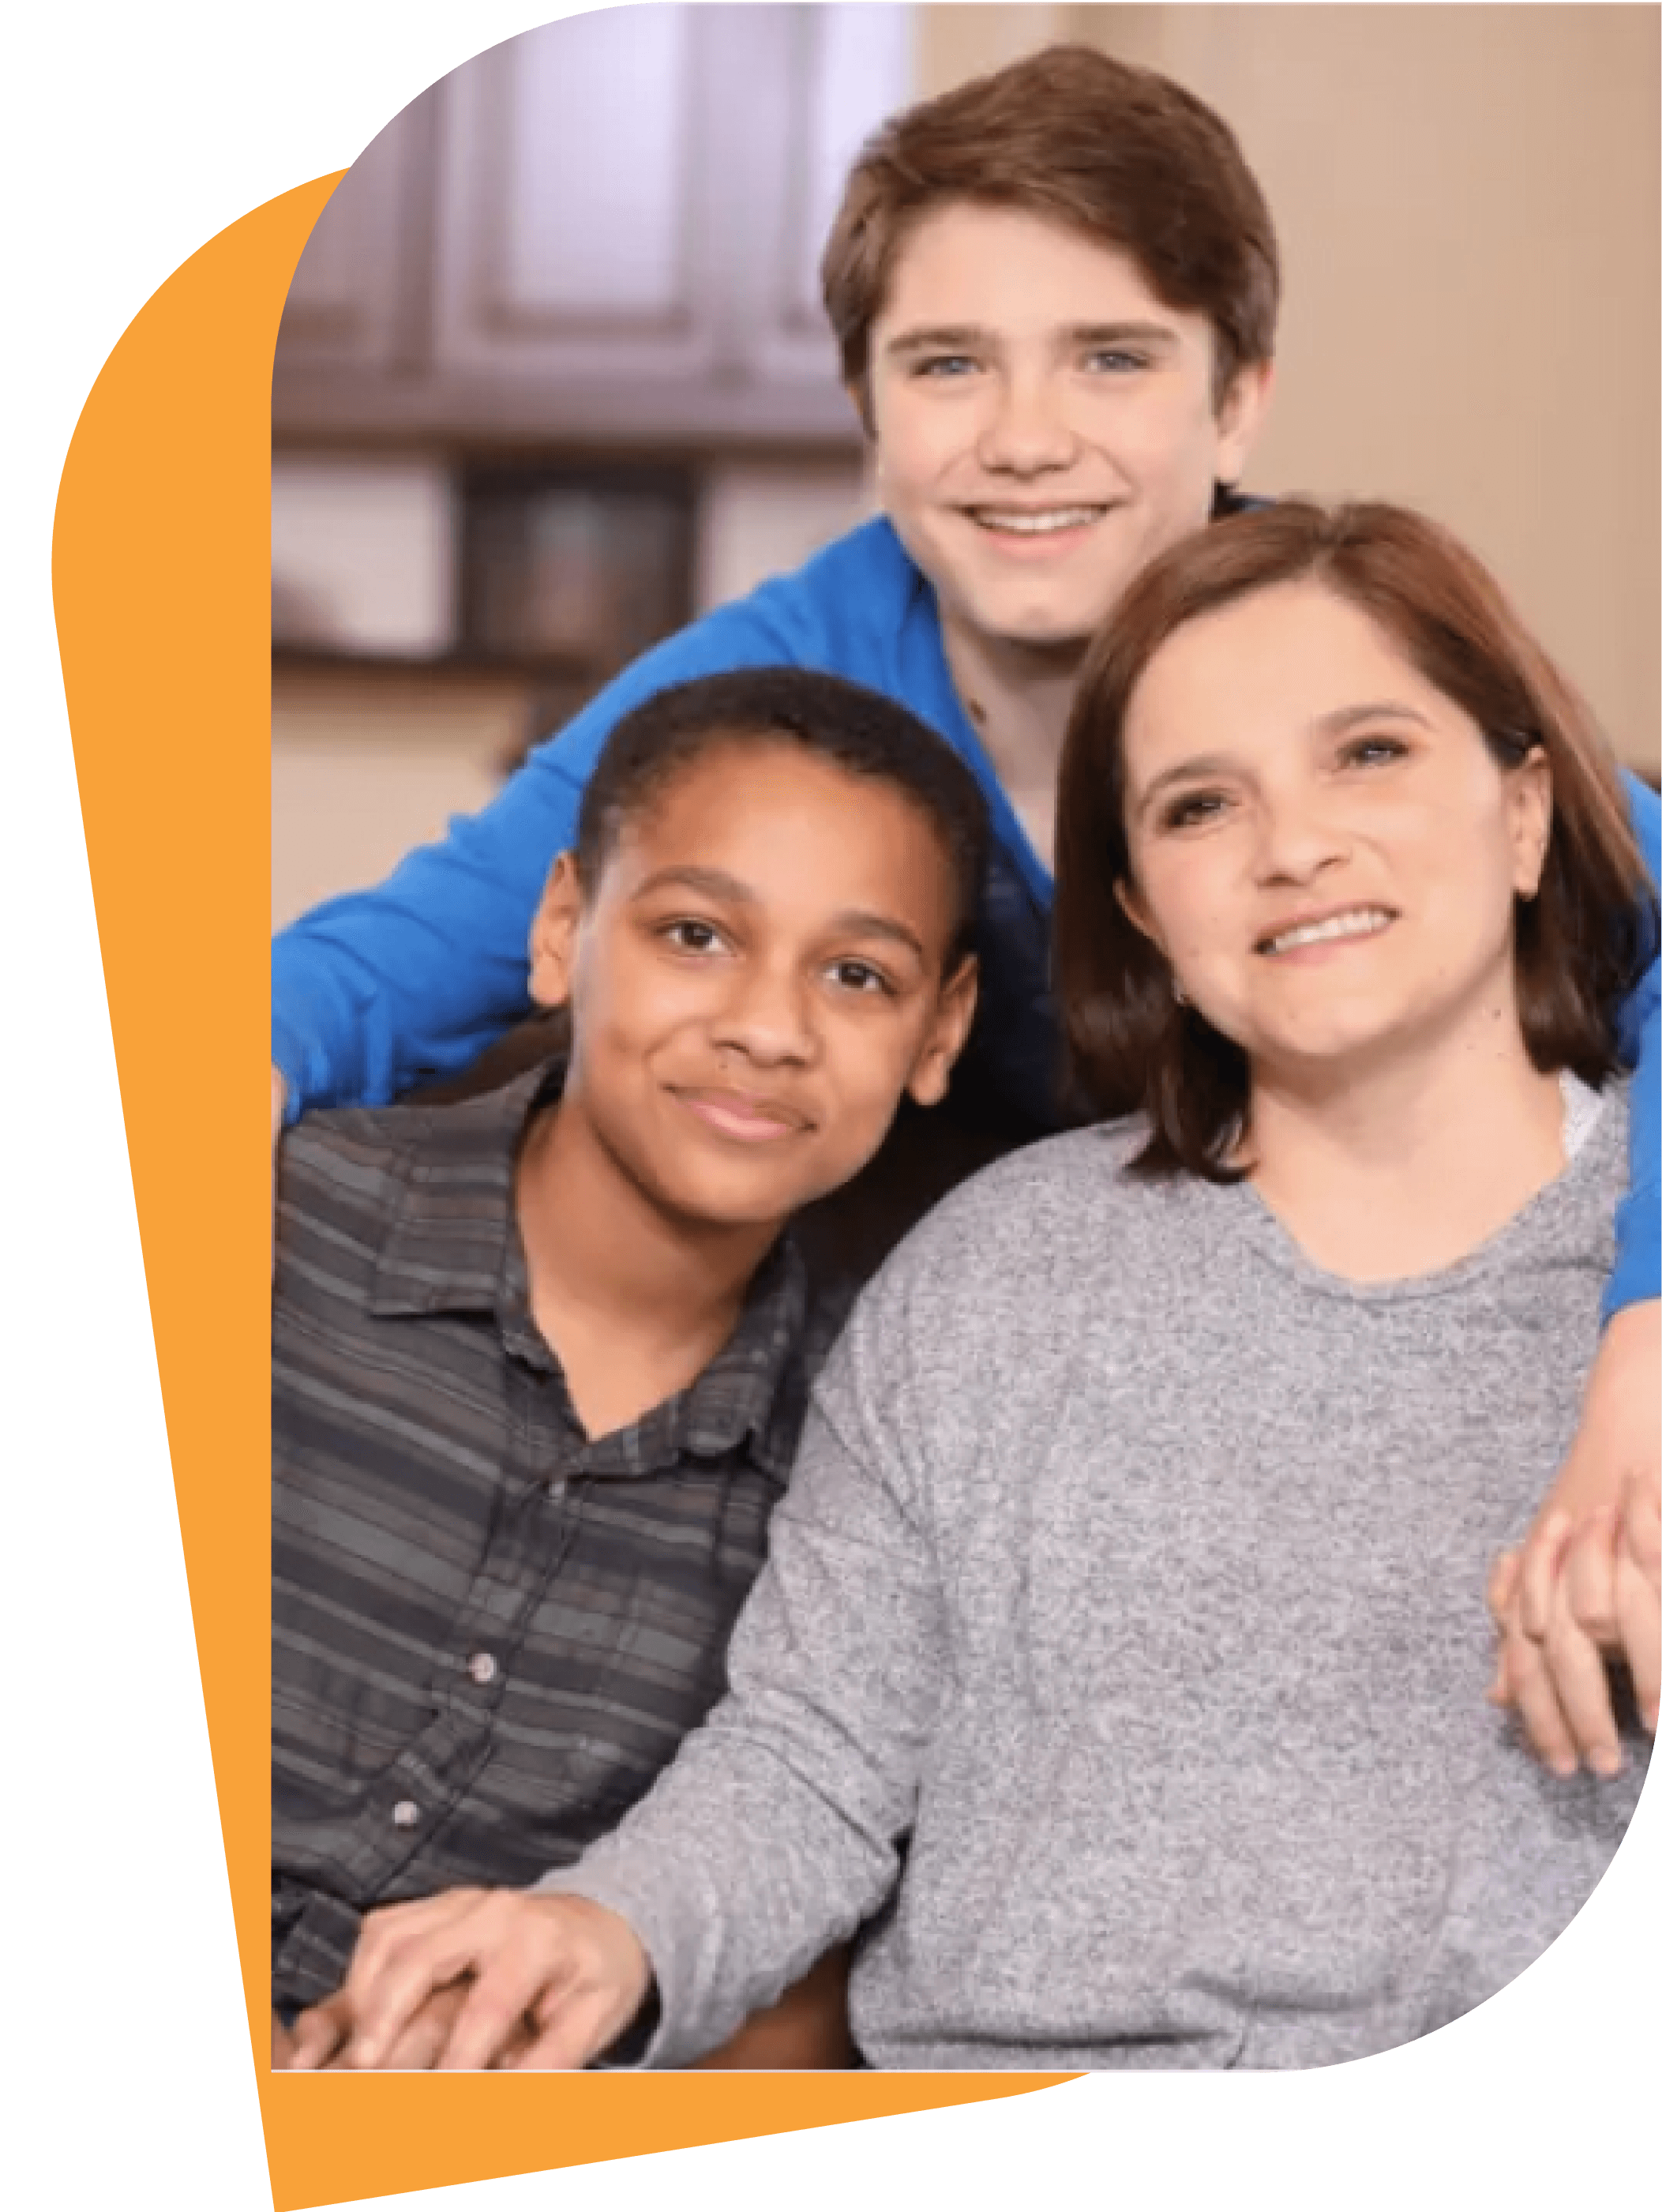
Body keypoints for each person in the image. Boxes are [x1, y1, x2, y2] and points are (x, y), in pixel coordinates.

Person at [271, 45, 1661, 1769]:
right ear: (865, 407)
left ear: (1235, 403)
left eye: (1109, 357)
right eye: (947, 364)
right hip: (962, 1422)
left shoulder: (1350, 666)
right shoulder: (781, 680)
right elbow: (389, 961)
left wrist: (1644, 1346)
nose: (1022, 438)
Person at [295, 499, 1657, 2075]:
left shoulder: (1629, 1303)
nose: (1293, 846)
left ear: (1524, 811)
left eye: (1367, 753)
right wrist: (608, 1925)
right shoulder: (992, 1270)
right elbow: (812, 1755)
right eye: (1198, 803)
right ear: (1140, 902)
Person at [270, 668, 984, 2068]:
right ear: (560, 931)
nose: (769, 1029)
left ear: (939, 1036)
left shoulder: (871, 1460)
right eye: (698, 934)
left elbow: (806, 1935)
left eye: (857, 975)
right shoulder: (278, 1226)